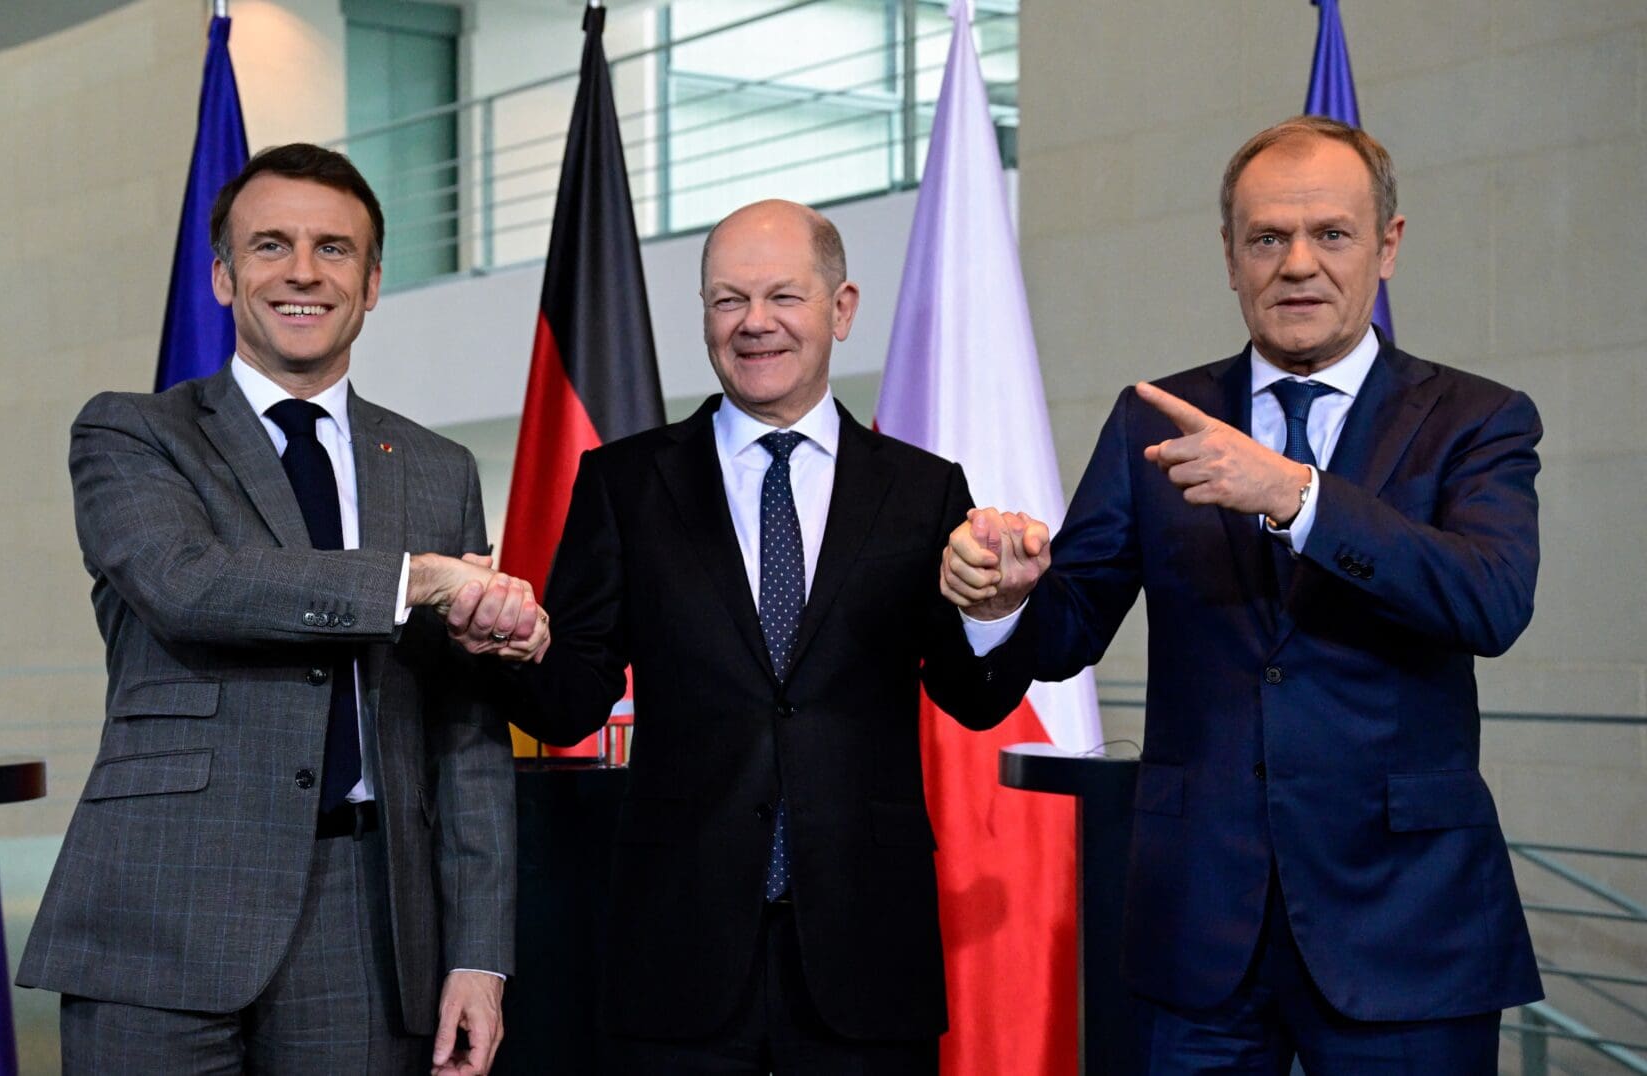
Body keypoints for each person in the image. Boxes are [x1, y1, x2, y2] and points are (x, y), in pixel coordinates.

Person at [942, 116, 1544, 1072]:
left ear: (1387, 246)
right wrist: (1002, 598)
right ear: (1230, 257)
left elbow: (1489, 599)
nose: (1298, 262)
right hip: (1196, 930)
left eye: (1331, 234)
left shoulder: (1477, 419)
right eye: (1268, 237)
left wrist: (1298, 498)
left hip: (1406, 930)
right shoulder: (1157, 417)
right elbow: (1064, 634)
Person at [17, 143, 545, 1076]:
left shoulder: (437, 469)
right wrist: (417, 579)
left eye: (334, 250)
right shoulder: (133, 432)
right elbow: (189, 583)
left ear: (373, 282)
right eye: (271, 246)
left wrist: (479, 952)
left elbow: (464, 735)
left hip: (369, 925)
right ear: (224, 276)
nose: (303, 271)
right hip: (161, 913)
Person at [507, 199, 1021, 1074]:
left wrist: (992, 611)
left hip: (866, 949)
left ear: (842, 308)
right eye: (727, 300)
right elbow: (568, 702)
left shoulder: (924, 491)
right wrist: (506, 639)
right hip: (677, 946)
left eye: (784, 295)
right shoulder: (625, 484)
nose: (755, 324)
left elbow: (973, 701)